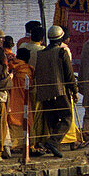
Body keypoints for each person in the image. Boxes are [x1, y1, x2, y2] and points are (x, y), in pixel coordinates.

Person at [33, 26, 78, 158]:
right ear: (60, 38)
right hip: (60, 91)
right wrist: (74, 91)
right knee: (67, 118)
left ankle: (55, 147)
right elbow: (69, 75)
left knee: (53, 121)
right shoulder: (61, 52)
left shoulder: (40, 54)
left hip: (45, 93)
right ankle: (52, 142)